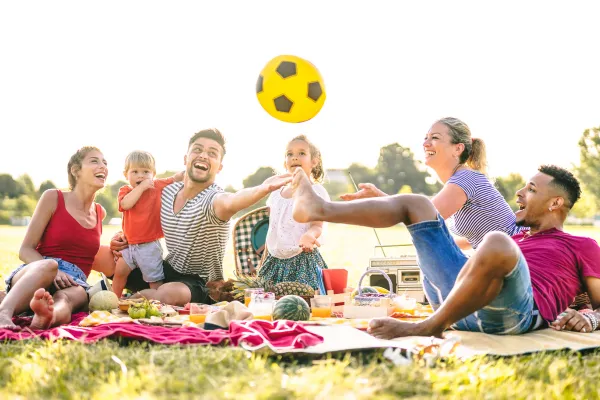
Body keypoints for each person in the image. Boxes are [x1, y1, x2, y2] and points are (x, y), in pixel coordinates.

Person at [290, 165, 600, 339]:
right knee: (418, 204)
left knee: (495, 241)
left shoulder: (581, 245)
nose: (519, 193)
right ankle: (319, 207)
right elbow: (450, 240)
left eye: (531, 189)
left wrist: (591, 318)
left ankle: (429, 327)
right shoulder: (514, 236)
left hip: (512, 314)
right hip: (457, 296)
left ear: (555, 203)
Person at [110, 128, 292, 306]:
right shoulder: (166, 191)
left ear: (219, 167)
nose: (204, 155)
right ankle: (128, 294)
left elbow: (233, 200)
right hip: (165, 269)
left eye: (212, 153)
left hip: (199, 283)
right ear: (186, 158)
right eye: (197, 150)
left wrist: (262, 189)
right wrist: (122, 236)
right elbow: (140, 213)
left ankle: (129, 298)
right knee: (103, 255)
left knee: (167, 294)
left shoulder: (213, 199)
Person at [341, 117, 520, 249]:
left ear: (458, 148)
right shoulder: (460, 182)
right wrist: (380, 196)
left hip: (523, 258)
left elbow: (420, 215)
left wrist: (377, 200)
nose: (425, 143)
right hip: (509, 257)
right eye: (426, 137)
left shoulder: (464, 180)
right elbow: (473, 238)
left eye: (434, 137)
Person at [0, 147, 109, 330]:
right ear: (76, 170)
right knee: (49, 265)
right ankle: (4, 312)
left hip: (75, 282)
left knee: (66, 299)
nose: (103, 166)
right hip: (38, 271)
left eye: (105, 162)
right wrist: (55, 270)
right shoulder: (53, 197)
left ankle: (46, 317)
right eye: (95, 161)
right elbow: (25, 249)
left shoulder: (100, 212)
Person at [257, 135, 330, 294]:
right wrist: (264, 260)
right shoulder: (276, 193)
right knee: (269, 302)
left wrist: (310, 236)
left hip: (302, 261)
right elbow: (273, 230)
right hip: (274, 263)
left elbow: (317, 225)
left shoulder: (315, 191)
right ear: (285, 163)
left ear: (314, 161)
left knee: (303, 303)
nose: (295, 157)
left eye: (302, 153)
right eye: (290, 154)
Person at [111, 150, 183, 298]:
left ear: (153, 174)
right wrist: (141, 187)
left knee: (154, 280)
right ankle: (114, 300)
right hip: (129, 246)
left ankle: (157, 304)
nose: (141, 176)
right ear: (126, 175)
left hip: (149, 246)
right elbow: (125, 205)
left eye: (146, 172)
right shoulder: (125, 191)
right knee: (119, 273)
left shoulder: (156, 186)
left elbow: (174, 178)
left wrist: (186, 173)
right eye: (135, 171)